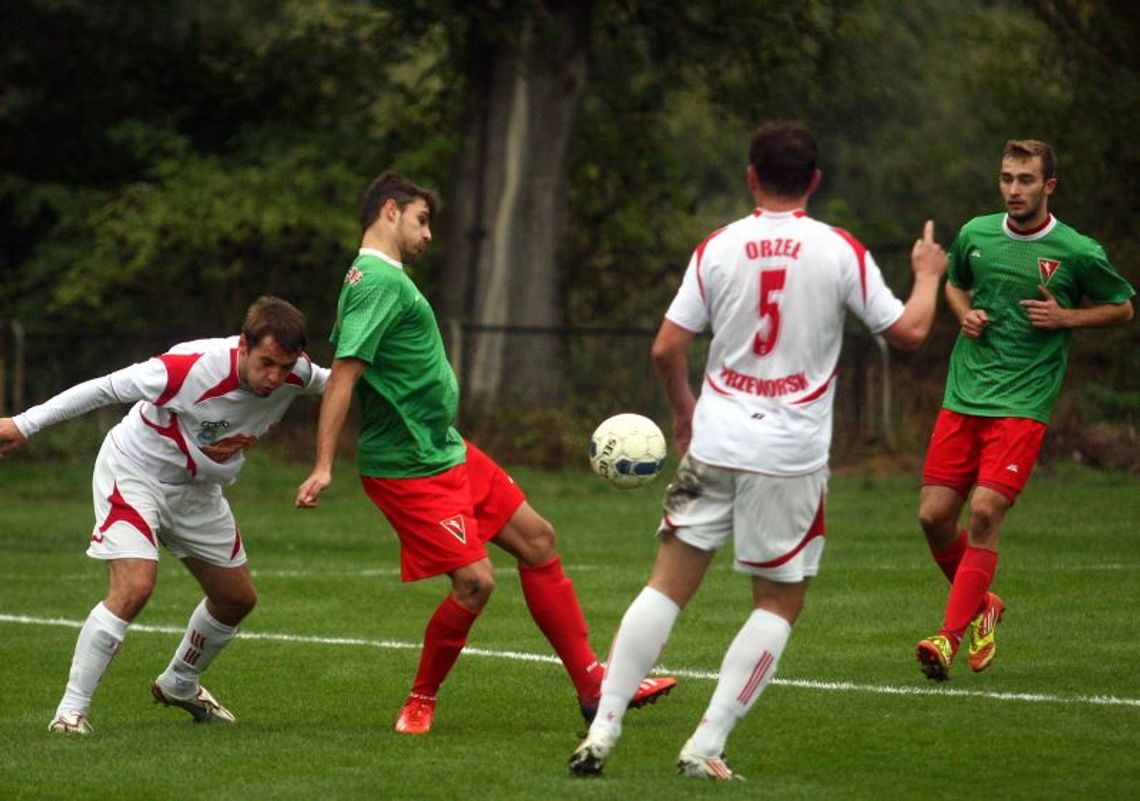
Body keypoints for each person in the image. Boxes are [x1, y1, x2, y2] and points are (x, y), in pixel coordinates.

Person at [569, 121, 948, 780]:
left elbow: (666, 347)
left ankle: (603, 729)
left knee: (665, 587)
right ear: (815, 180)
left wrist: (684, 408)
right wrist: (928, 274)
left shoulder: (718, 246)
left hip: (715, 441)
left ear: (751, 176)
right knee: (777, 602)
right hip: (788, 456)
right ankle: (705, 744)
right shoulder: (838, 249)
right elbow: (911, 332)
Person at [294, 172, 675, 735]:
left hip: (443, 448)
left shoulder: (385, 277)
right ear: (390, 211)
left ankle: (593, 688)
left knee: (538, 540)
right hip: (410, 467)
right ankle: (419, 701)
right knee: (476, 583)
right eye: (422, 220)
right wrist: (324, 464)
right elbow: (345, 374)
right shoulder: (376, 279)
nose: (428, 235)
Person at [0, 296, 329, 734]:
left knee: (236, 599)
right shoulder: (189, 368)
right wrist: (25, 423)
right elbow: (104, 388)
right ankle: (70, 712)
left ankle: (179, 683)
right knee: (135, 586)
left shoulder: (299, 374)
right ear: (243, 346)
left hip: (198, 491)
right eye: (266, 363)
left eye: (284, 367)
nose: (274, 378)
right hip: (135, 472)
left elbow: (343, 381)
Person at [914, 140, 1134, 681]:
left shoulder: (1076, 250)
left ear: (1048, 186)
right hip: (964, 395)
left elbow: (1122, 308)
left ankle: (947, 638)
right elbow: (957, 285)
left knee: (984, 513)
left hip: (1023, 403)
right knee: (933, 517)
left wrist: (1066, 319)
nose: (1014, 190)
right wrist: (964, 313)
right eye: (1007, 178)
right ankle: (984, 604)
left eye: (1026, 180)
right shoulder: (976, 233)